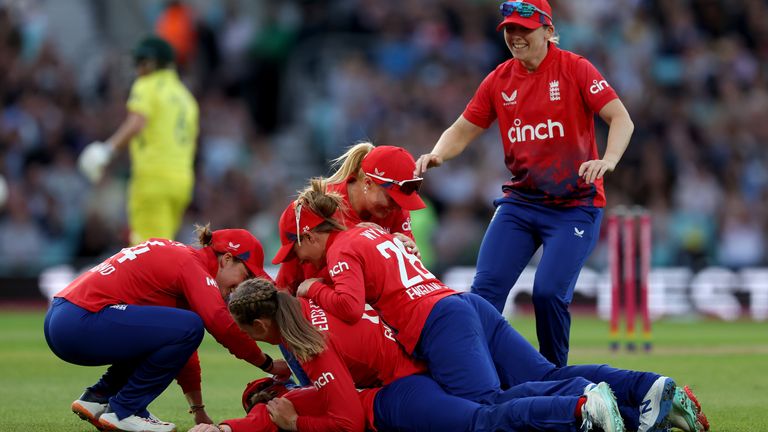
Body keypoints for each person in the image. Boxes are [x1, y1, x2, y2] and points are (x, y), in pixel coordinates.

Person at [273, 184, 708, 432]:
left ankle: (583, 402)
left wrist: (312, 289)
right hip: (463, 304)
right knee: (545, 374)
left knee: (487, 405)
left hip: (436, 322)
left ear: (310, 234)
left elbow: (348, 308)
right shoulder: (370, 231)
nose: (301, 259)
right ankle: (648, 392)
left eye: (298, 248)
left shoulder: (341, 251)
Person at [414, 0, 635, 368]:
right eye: (509, 30)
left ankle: (555, 380)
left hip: (574, 205)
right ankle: (475, 375)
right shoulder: (499, 79)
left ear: (548, 31)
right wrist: (438, 154)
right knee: (482, 297)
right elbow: (463, 128)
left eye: (524, 29)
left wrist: (608, 160)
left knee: (548, 293)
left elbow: (620, 118)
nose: (515, 37)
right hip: (522, 203)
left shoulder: (575, 68)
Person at [191, 277, 623, 432]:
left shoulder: (307, 344)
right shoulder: (303, 307)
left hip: (403, 388)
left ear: (261, 327)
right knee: (498, 399)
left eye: (245, 333)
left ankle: (579, 407)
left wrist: (296, 422)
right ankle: (591, 394)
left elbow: (347, 421)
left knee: (481, 419)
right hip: (422, 353)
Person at [44, 226, 291, 432]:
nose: (242, 287)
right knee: (190, 326)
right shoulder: (191, 265)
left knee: (180, 330)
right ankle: (124, 410)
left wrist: (199, 410)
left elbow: (181, 350)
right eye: (246, 276)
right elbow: (219, 323)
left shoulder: (183, 260)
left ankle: (99, 397)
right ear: (227, 258)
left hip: (64, 316)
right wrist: (267, 363)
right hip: (80, 322)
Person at [77, 35, 199, 245]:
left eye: (140, 62)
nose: (136, 69)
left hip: (153, 178)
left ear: (152, 62)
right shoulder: (187, 98)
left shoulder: (147, 85)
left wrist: (107, 150)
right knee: (166, 244)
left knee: (149, 250)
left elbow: (137, 122)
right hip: (182, 181)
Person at [275, 143, 425, 294]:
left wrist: (411, 255)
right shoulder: (320, 205)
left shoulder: (396, 207)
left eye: (402, 200)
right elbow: (286, 281)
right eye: (392, 198)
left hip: (368, 304)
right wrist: (357, 239)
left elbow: (406, 273)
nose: (398, 207)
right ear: (367, 182)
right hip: (320, 303)